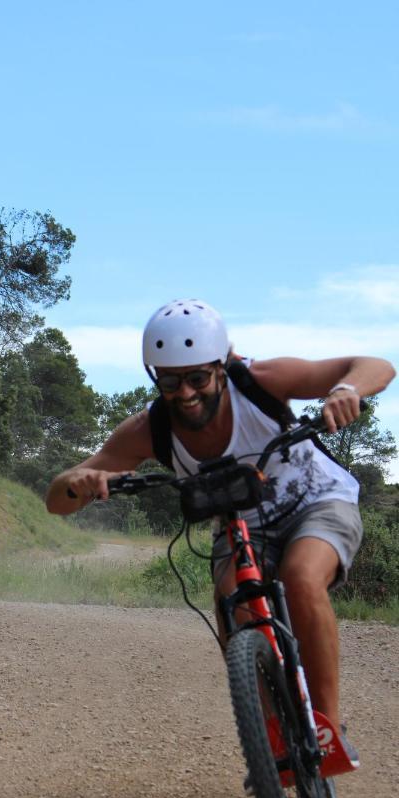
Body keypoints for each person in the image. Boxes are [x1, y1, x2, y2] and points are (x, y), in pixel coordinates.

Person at [46, 299, 396, 762]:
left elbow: (376, 365)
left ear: (220, 367)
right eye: (170, 381)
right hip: (240, 524)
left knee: (301, 577)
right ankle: (274, 735)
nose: (186, 393)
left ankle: (326, 729)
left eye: (197, 378)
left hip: (316, 501)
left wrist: (345, 390)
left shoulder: (261, 383)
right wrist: (80, 483)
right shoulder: (149, 429)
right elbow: (57, 500)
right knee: (232, 602)